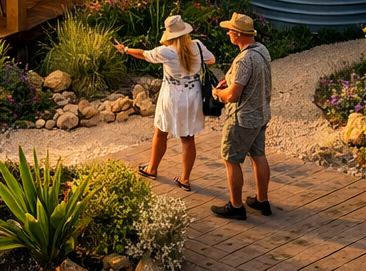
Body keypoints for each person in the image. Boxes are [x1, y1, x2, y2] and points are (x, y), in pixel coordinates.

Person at [116, 14, 216, 191]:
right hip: (193, 94)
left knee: (161, 131)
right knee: (188, 138)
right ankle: (185, 179)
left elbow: (144, 54)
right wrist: (195, 66)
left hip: (172, 95)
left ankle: (152, 169)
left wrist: (125, 49)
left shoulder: (167, 52)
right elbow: (211, 59)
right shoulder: (197, 46)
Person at [211, 12, 273, 220]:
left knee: (231, 159)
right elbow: (248, 81)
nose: (228, 33)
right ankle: (262, 201)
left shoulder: (243, 60)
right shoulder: (261, 50)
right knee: (258, 155)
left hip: (242, 119)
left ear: (237, 34)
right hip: (261, 114)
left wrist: (218, 93)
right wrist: (229, 82)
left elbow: (233, 96)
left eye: (230, 30)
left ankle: (236, 207)